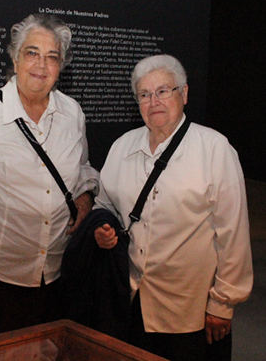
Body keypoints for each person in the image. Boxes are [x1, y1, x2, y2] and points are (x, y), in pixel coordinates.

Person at [94, 54, 253, 361]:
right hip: (132, 304)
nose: (154, 101)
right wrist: (103, 229)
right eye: (144, 94)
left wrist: (222, 304)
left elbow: (233, 235)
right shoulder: (122, 147)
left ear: (185, 94)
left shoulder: (215, 149)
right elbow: (105, 205)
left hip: (188, 312)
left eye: (164, 90)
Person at [0, 14, 100, 336]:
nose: (41, 65)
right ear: (14, 57)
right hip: (1, 275)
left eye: (52, 57)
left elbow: (83, 169)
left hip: (56, 271)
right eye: (32, 53)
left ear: (61, 66)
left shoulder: (72, 113)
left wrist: (84, 197)